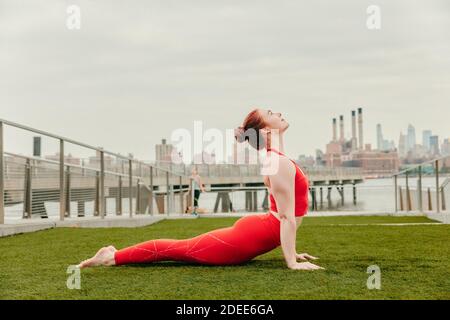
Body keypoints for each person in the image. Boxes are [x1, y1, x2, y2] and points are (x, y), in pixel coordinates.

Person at [78, 109, 324, 271]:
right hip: (243, 240)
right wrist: (291, 261)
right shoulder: (277, 161)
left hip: (255, 232)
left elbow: (285, 215)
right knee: (180, 249)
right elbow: (285, 217)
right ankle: (112, 257)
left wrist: (291, 252)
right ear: (263, 130)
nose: (278, 113)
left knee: (181, 247)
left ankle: (114, 254)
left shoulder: (278, 158)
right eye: (271, 113)